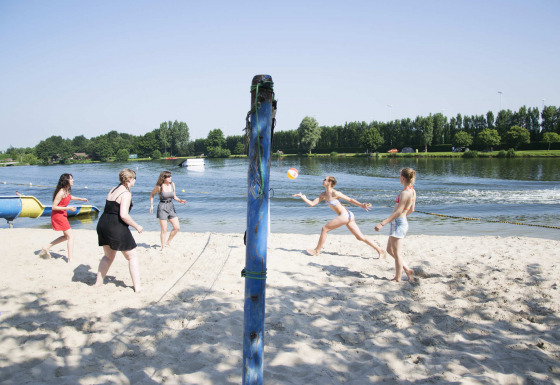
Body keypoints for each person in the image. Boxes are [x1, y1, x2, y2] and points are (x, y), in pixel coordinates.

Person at [293, 176, 385, 258]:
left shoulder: (335, 193)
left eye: (325, 179)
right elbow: (312, 204)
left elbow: (350, 199)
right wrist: (303, 197)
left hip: (346, 215)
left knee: (324, 229)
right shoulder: (323, 194)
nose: (323, 180)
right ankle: (380, 250)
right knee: (360, 237)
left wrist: (361, 205)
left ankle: (317, 251)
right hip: (347, 216)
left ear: (330, 183)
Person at [95, 168, 143, 292]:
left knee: (108, 256)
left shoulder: (113, 189)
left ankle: (97, 284)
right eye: (135, 179)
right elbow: (123, 215)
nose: (135, 182)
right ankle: (137, 288)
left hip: (103, 223)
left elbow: (111, 208)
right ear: (130, 179)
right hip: (115, 226)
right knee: (132, 256)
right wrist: (137, 226)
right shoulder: (126, 194)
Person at [375, 168, 417, 282]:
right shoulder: (412, 191)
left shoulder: (405, 193)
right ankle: (407, 270)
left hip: (398, 223)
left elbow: (398, 211)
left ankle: (398, 277)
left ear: (403, 178)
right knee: (389, 250)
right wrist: (403, 217)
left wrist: (382, 223)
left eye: (399, 176)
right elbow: (412, 209)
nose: (399, 178)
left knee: (397, 253)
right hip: (400, 222)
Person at [41, 173, 89, 262]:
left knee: (67, 236)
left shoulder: (66, 190)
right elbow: (54, 207)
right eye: (71, 179)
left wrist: (80, 199)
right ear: (66, 180)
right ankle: (70, 259)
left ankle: (47, 246)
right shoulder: (61, 192)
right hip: (58, 215)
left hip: (62, 215)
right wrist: (69, 208)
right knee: (71, 236)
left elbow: (69, 197)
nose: (73, 180)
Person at [149, 171, 186, 250]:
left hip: (171, 206)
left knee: (177, 227)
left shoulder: (172, 184)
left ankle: (168, 242)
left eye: (170, 176)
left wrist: (180, 200)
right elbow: (152, 194)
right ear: (164, 178)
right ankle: (162, 247)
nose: (170, 177)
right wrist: (151, 205)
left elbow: (174, 196)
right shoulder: (159, 187)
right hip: (162, 207)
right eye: (168, 176)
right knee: (164, 229)